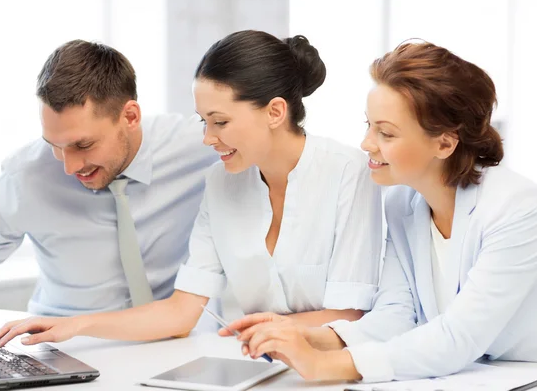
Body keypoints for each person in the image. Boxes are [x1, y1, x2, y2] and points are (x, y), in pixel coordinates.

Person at [0, 30, 383, 348]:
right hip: (254, 363)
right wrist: (73, 326)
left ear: (275, 112)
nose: (208, 139)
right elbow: (181, 312)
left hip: (336, 369)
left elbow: (349, 315)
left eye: (220, 122)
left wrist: (262, 332)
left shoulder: (350, 173)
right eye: (203, 122)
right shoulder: (220, 182)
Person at [226, 41, 537, 383]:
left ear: (445, 143)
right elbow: (397, 314)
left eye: (386, 133)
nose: (367, 143)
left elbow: (457, 337)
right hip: (483, 373)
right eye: (369, 125)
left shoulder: (515, 208)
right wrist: (306, 335)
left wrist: (325, 366)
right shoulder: (403, 203)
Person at [0, 40, 219, 330]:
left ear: (130, 117)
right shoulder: (27, 177)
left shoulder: (200, 147)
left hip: (180, 343)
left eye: (83, 145)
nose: (69, 166)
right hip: (64, 347)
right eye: (54, 146)